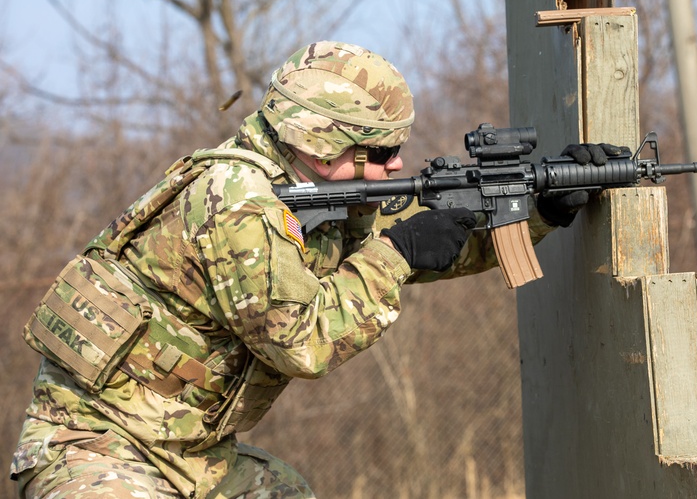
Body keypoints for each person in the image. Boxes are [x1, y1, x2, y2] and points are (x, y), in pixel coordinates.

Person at [9, 41, 622, 498]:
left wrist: (539, 210)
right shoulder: (236, 198)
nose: (396, 163)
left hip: (190, 454)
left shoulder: (313, 195)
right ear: (323, 143)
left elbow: (422, 250)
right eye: (381, 151)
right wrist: (398, 252)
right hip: (93, 449)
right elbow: (302, 343)